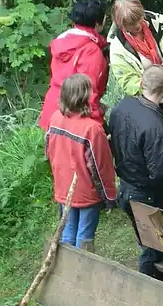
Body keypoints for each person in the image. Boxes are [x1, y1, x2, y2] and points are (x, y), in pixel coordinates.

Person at [109, 0, 163, 206]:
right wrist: (155, 80)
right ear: (121, 25)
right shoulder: (117, 47)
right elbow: (126, 82)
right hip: (149, 108)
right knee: (158, 157)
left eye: (139, 20)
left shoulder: (156, 21)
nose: (139, 26)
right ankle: (161, 200)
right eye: (132, 25)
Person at [109, 65, 163, 277]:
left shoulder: (121, 107)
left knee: (146, 240)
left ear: (141, 82)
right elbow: (162, 172)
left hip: (126, 187)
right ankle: (148, 286)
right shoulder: (155, 126)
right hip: (148, 195)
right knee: (156, 249)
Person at [45, 74, 116, 252]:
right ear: (85, 96)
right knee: (84, 238)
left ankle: (64, 273)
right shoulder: (92, 128)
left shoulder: (54, 118)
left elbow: (49, 152)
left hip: (63, 187)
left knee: (67, 235)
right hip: (86, 192)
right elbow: (101, 168)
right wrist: (109, 196)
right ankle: (82, 275)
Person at [40, 0, 109, 130]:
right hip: (73, 117)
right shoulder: (91, 50)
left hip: (52, 113)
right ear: (97, 23)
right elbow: (88, 91)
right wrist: (96, 123)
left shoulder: (63, 42)